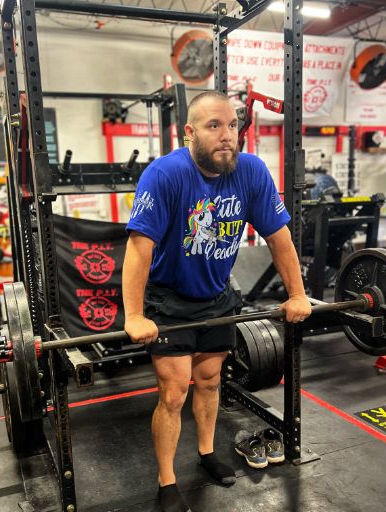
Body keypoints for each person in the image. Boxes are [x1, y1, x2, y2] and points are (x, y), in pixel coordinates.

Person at [122, 91, 311, 512]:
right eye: (214, 126)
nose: (227, 136)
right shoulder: (164, 174)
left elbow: (280, 240)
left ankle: (206, 454)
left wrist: (297, 294)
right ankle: (167, 481)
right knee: (173, 395)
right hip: (169, 301)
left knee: (209, 382)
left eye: (232, 126)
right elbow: (138, 250)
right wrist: (134, 314)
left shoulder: (252, 172)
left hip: (217, 298)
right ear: (189, 132)